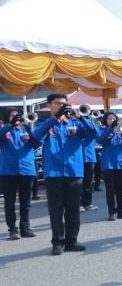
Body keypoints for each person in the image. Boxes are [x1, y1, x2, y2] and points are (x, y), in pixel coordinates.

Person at [33, 94, 100, 255]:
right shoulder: (45, 124)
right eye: (58, 103)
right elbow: (35, 138)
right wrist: (55, 118)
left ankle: (72, 241)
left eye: (65, 103)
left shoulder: (76, 123)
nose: (63, 106)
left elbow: (95, 133)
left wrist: (82, 117)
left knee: (73, 209)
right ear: (50, 105)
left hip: (74, 171)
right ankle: (57, 242)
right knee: (56, 210)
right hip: (53, 173)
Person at [0, 109, 39, 239]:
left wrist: (30, 133)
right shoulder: (5, 130)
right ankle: (12, 229)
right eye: (12, 115)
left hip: (26, 170)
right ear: (7, 118)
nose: (15, 117)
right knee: (9, 202)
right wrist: (10, 125)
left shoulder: (26, 129)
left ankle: (25, 228)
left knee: (26, 201)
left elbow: (38, 142)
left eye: (17, 115)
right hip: (8, 171)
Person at [98, 112, 122, 221]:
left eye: (114, 118)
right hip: (108, 165)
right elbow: (99, 140)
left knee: (121, 189)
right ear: (105, 120)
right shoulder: (103, 131)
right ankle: (111, 212)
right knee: (110, 190)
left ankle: (121, 211)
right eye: (109, 118)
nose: (112, 120)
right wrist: (110, 128)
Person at [79, 116, 100, 212]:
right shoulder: (76, 128)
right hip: (77, 159)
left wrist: (83, 118)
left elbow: (97, 131)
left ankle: (88, 203)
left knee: (89, 182)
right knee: (78, 183)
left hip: (89, 158)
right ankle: (79, 204)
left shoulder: (91, 129)